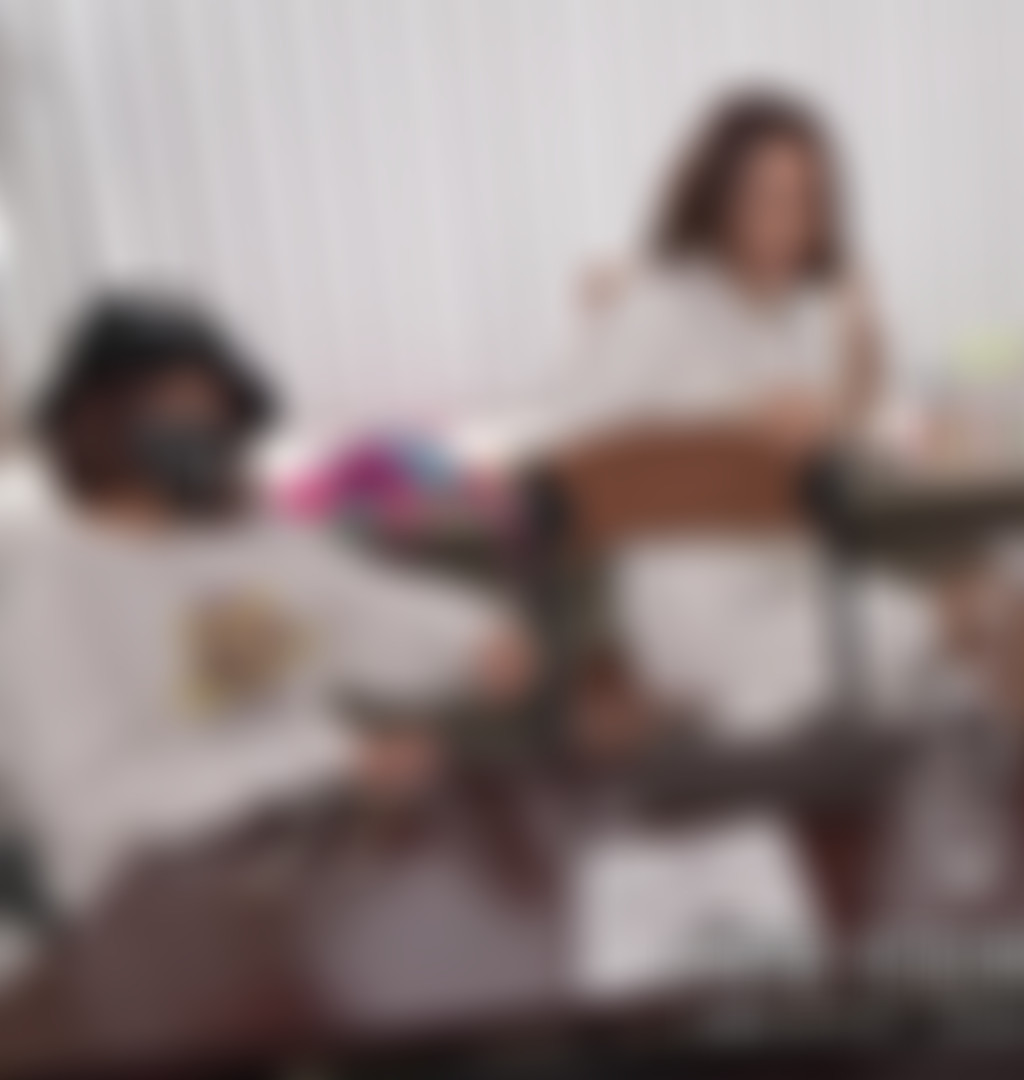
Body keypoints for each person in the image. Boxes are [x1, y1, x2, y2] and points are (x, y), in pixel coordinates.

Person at [0, 293, 532, 911]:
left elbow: (360, 609)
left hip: (303, 860)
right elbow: (92, 804)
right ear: (97, 420)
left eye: (216, 413)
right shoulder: (50, 582)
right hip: (150, 907)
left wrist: (472, 639)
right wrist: (330, 760)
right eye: (175, 407)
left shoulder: (249, 539)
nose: (203, 431)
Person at [553, 88, 930, 741]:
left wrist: (862, 329)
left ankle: (742, 747)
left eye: (808, 201)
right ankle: (720, 738)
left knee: (907, 655)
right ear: (715, 200)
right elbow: (569, 452)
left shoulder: (780, 316)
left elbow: (837, 423)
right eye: (766, 199)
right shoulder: (660, 303)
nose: (789, 223)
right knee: (904, 635)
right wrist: (734, 428)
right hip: (700, 616)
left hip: (784, 587)